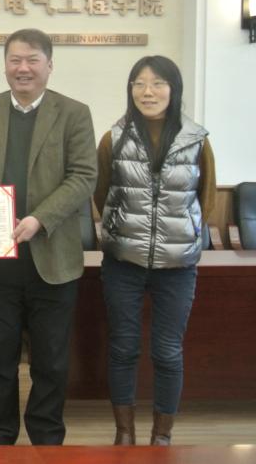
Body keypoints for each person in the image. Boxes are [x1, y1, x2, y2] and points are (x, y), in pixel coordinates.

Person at [0, 28, 96, 445]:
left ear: (49, 65)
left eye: (32, 60)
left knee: (51, 360)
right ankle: (0, 436)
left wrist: (39, 218)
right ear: (5, 66)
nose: (23, 68)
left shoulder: (74, 113)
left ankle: (47, 438)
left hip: (52, 258)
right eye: (15, 60)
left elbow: (84, 176)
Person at [95, 55, 216, 446]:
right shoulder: (113, 138)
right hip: (123, 262)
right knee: (123, 348)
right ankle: (124, 432)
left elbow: (207, 199)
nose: (148, 92)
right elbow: (101, 194)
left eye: (158, 83)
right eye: (139, 84)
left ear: (173, 89)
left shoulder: (197, 140)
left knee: (167, 352)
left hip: (177, 266)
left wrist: (182, 236)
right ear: (130, 90)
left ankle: (162, 436)